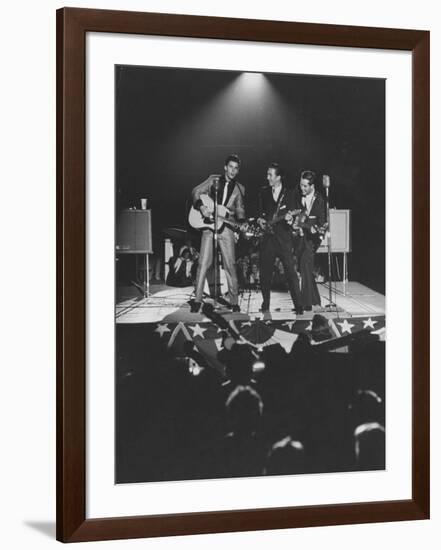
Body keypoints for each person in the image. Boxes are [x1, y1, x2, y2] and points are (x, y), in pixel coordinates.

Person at [190, 154, 246, 312]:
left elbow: (240, 213)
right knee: (203, 263)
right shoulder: (213, 179)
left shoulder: (240, 189)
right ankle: (197, 300)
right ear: (225, 167)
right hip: (208, 226)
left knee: (230, 265)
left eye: (236, 168)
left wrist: (241, 225)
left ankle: (234, 302)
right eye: (230, 167)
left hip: (226, 227)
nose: (233, 171)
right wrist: (202, 207)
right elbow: (195, 192)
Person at [257, 163, 303, 314]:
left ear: (278, 177)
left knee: (291, 272)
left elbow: (297, 215)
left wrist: (290, 219)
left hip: (284, 240)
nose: (267, 177)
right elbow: (259, 213)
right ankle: (265, 304)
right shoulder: (263, 192)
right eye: (267, 174)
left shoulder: (290, 194)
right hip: (267, 240)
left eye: (270, 175)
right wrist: (260, 220)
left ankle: (298, 306)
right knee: (265, 274)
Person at [289, 170, 326, 311]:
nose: (302, 188)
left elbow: (322, 222)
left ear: (312, 186)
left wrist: (317, 229)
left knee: (305, 264)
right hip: (300, 236)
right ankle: (314, 301)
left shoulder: (320, 199)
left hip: (313, 238)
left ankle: (307, 304)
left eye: (305, 186)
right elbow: (293, 211)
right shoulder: (298, 194)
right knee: (305, 268)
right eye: (301, 185)